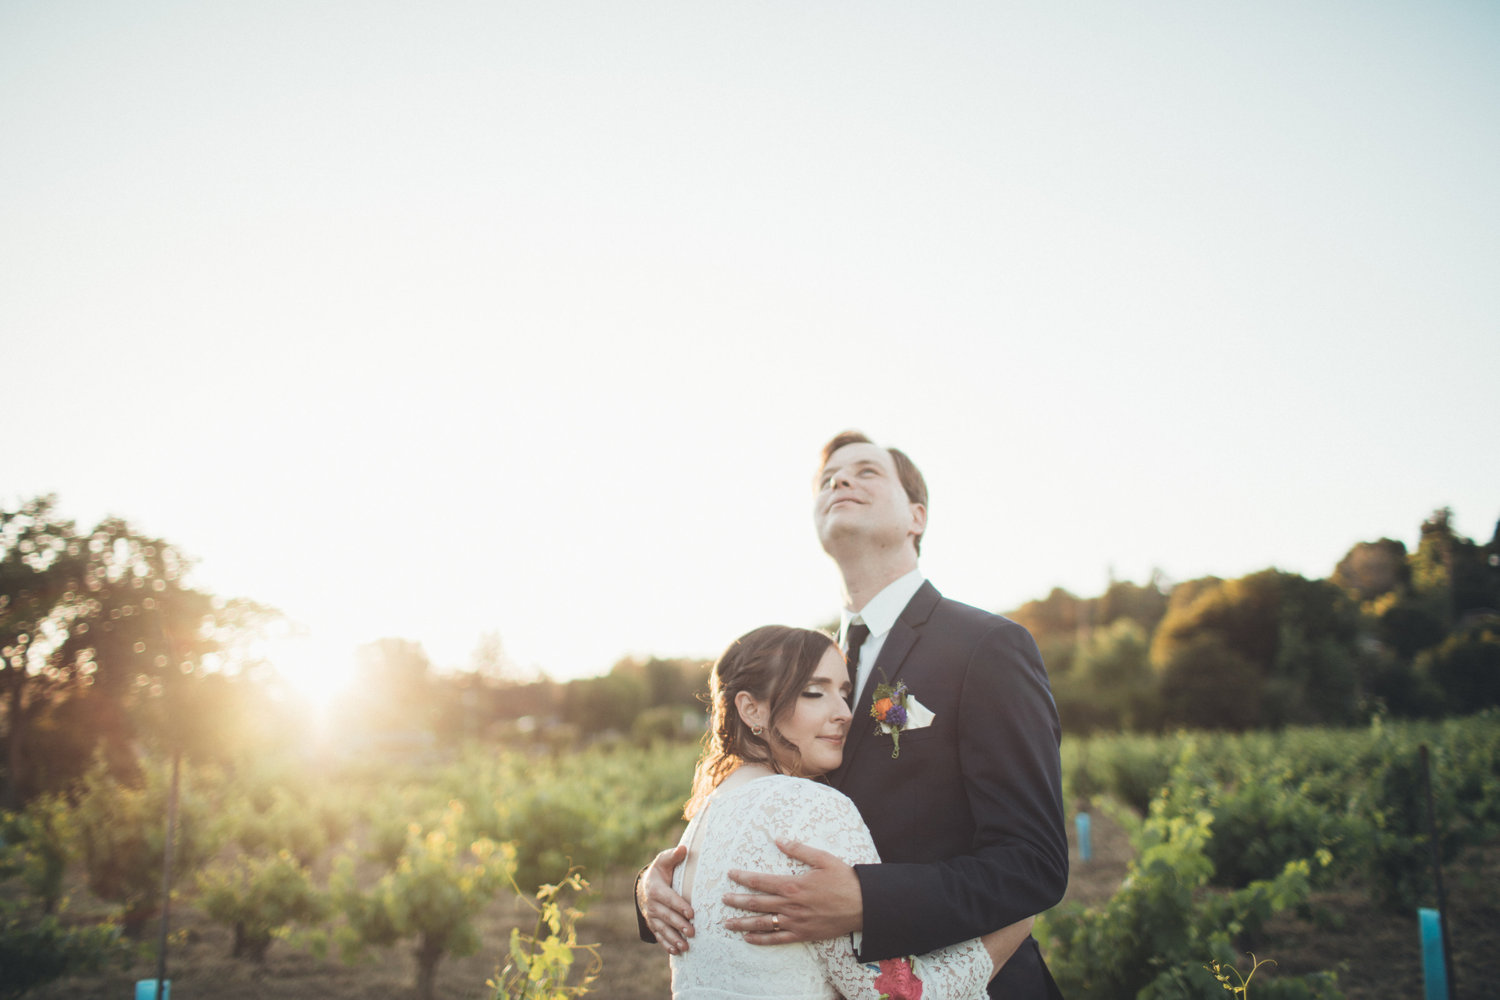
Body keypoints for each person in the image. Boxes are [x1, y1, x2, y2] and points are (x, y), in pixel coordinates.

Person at [640, 431, 1069, 999]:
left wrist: (868, 899)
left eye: (867, 471)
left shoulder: (986, 646)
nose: (840, 480)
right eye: (827, 479)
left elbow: (1034, 862)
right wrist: (665, 886)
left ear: (916, 516)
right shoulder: (803, 666)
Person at [667, 623, 1025, 999]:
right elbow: (896, 995)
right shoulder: (811, 806)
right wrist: (1015, 923)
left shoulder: (703, 816)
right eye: (814, 692)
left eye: (844, 693)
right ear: (750, 709)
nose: (844, 713)